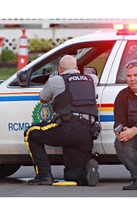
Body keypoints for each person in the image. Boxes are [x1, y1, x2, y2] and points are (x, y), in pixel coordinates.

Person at [24, 55, 100, 186]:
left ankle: (43, 175)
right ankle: (85, 173)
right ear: (77, 68)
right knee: (72, 177)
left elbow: (43, 98)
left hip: (68, 128)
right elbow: (91, 77)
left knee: (31, 133)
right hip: (88, 132)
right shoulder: (91, 79)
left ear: (60, 69)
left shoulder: (56, 80)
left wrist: (52, 79)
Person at [113, 59, 137, 190]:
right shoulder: (122, 96)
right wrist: (120, 132)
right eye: (129, 76)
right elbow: (119, 120)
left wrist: (135, 129)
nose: (132, 79)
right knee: (120, 142)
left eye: (136, 75)